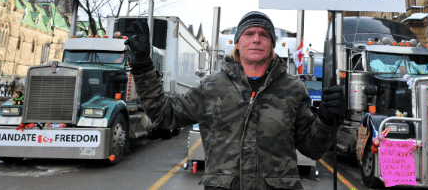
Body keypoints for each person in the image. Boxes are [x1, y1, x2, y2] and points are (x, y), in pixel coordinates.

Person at [126, 11, 345, 190]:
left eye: (264, 35)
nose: (256, 39)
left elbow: (312, 149)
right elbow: (165, 115)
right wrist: (143, 65)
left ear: (272, 45)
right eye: (249, 33)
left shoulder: (292, 88)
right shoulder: (212, 87)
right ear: (237, 43)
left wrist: (326, 120)